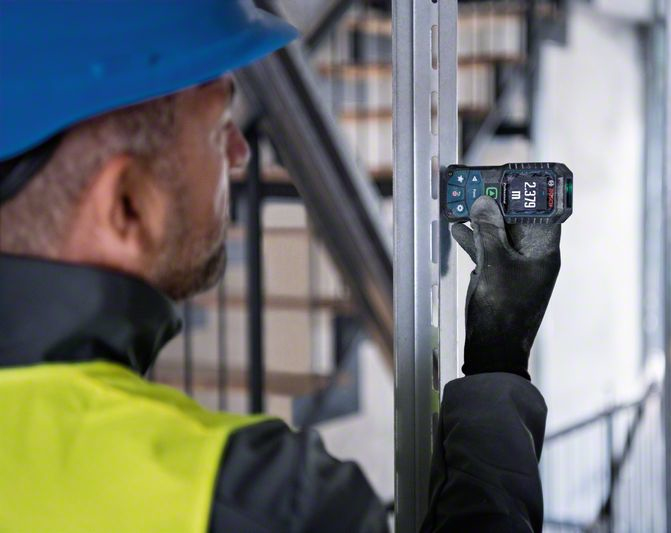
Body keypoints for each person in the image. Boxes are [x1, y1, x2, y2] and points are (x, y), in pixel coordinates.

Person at [0, 1, 561, 532]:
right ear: (127, 205)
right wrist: (499, 357)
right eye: (218, 125)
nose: (241, 151)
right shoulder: (253, 500)